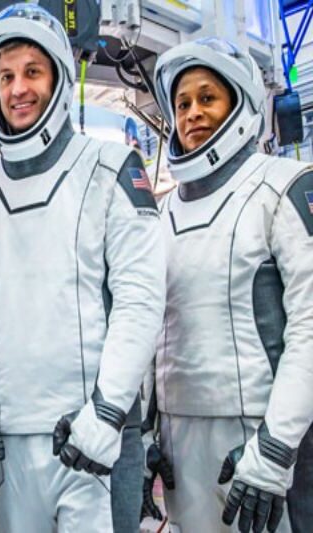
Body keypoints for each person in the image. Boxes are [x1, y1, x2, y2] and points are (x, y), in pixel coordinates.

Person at [0, 4, 165, 532]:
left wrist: (108, 413)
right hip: (9, 445)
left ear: (59, 77)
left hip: (92, 439)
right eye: (6, 76)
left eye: (32, 72)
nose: (17, 89)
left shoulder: (111, 169)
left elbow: (139, 301)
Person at [149, 37, 313, 533]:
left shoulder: (284, 184)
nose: (192, 113)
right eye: (182, 104)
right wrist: (144, 436)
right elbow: (145, 327)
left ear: (239, 104)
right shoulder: (161, 213)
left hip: (266, 439)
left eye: (207, 98)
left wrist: (275, 448)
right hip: (180, 444)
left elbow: (309, 325)